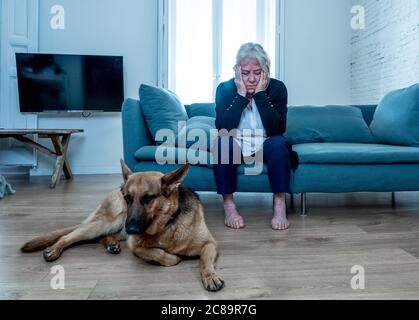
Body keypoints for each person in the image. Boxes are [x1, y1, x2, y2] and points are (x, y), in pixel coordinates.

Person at [212, 42, 297, 230]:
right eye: (245, 73)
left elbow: (277, 129)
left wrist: (259, 95)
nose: (251, 79)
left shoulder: (277, 88)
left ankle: (280, 204)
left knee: (279, 143)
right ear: (237, 72)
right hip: (236, 143)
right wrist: (241, 96)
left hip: (265, 144)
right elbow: (223, 128)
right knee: (222, 142)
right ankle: (229, 206)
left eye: (257, 72)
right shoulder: (224, 89)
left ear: (266, 72)